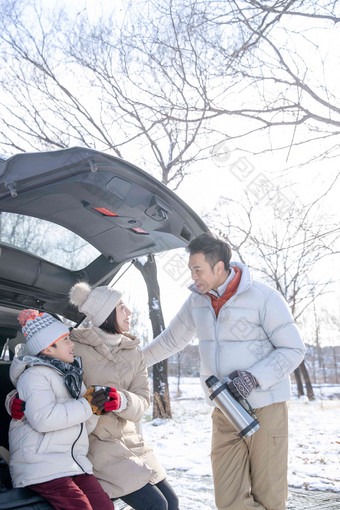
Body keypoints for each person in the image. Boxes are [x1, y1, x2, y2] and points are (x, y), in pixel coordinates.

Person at [142, 232, 306, 510]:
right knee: (229, 501)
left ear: (219, 267)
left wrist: (254, 377)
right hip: (225, 409)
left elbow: (294, 349)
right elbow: (171, 340)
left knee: (270, 498)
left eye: (198, 270)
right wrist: (130, 361)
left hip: (266, 409)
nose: (193, 277)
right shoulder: (197, 300)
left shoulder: (263, 297)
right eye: (191, 270)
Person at [68, 282, 179, 510]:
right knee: (156, 505)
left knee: (172, 502)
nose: (128, 312)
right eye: (121, 307)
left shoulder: (133, 352)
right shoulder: (74, 348)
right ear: (105, 314)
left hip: (132, 442)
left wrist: (121, 400)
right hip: (96, 444)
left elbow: (143, 401)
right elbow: (42, 376)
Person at [8, 309, 114, 510]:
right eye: (65, 339)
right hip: (42, 465)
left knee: (105, 507)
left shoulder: (71, 377)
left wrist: (95, 411)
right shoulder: (34, 376)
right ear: (48, 348)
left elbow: (82, 427)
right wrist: (86, 406)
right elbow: (43, 419)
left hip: (72, 463)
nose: (72, 343)